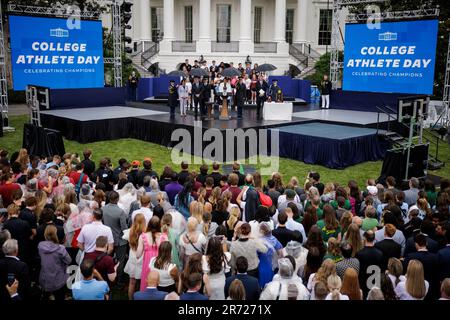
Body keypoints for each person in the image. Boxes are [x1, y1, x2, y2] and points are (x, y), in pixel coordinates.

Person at [38, 225, 72, 300]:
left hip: (45, 277)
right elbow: (69, 260)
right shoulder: (61, 249)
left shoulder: (40, 246)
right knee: (59, 297)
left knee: (45, 297)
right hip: (58, 279)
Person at [101, 191, 128, 284]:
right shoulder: (120, 212)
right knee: (120, 261)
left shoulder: (103, 209)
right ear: (117, 199)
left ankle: (106, 279)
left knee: (106, 259)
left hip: (107, 239)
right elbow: (124, 228)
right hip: (119, 240)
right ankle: (119, 282)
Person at [135, 216, 167, 291]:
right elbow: (169, 253)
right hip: (160, 265)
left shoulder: (143, 236)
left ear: (149, 224)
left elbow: (138, 255)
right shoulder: (164, 237)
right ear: (159, 225)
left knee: (147, 284)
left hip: (147, 266)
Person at [403, 233, 439, 299]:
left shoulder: (410, 257)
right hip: (431, 291)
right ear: (426, 244)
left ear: (416, 244)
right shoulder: (436, 257)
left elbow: (405, 272)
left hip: (413, 289)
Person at [123, 213, 146, 300]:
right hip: (143, 258)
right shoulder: (146, 233)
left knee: (132, 282)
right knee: (143, 282)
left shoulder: (129, 232)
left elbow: (126, 239)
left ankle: (130, 298)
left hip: (133, 257)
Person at [356, 230, 383, 296]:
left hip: (363, 284)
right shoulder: (380, 253)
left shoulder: (359, 254)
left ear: (364, 238)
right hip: (376, 284)